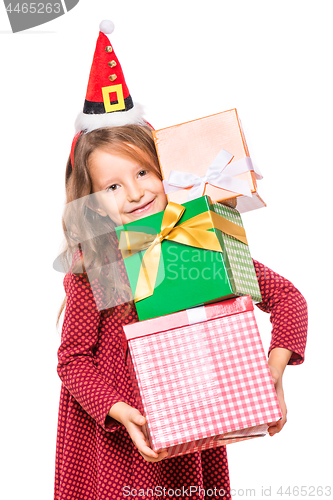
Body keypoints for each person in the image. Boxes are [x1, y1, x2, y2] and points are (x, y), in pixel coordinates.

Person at [54, 22, 308, 500]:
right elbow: (72, 360)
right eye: (111, 187)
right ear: (89, 198)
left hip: (189, 417)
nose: (133, 193)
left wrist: (271, 375)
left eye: (143, 172)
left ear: (164, 168)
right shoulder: (98, 264)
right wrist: (117, 410)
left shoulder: (198, 241)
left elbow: (288, 299)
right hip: (117, 437)